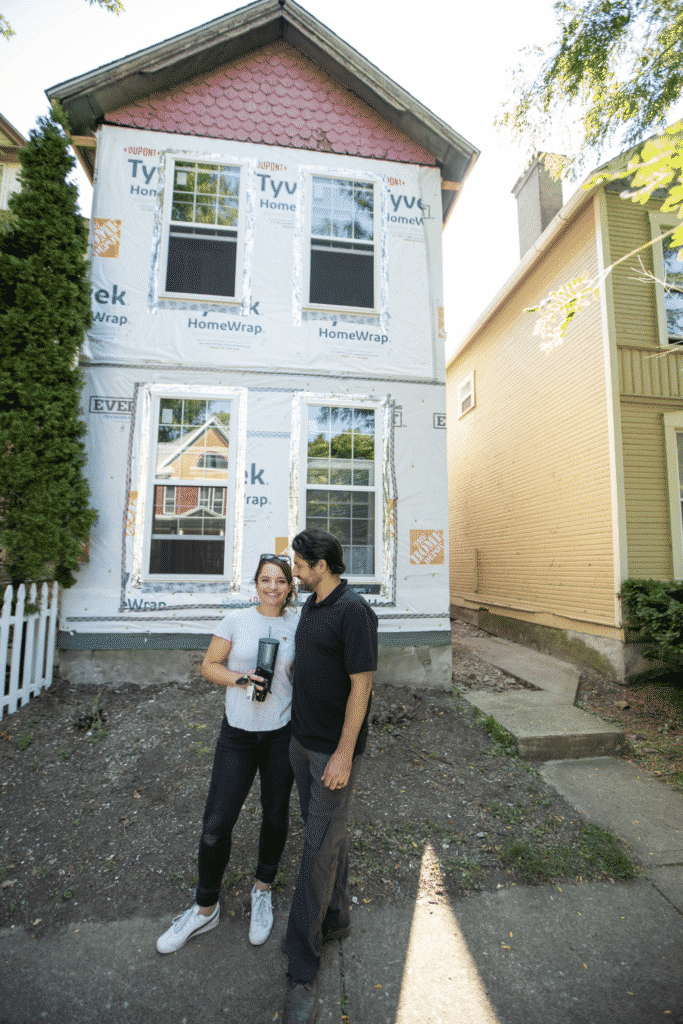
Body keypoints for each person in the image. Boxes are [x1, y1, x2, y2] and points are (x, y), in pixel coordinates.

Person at [156, 554, 297, 955]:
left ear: (289, 587)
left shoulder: (296, 625)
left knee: (275, 815)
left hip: (280, 736)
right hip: (237, 735)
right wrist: (240, 679)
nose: (273, 587)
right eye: (266, 579)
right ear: (255, 584)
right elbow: (208, 666)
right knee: (217, 823)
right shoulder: (236, 620)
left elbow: (305, 676)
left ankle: (263, 890)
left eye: (281, 581)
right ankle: (205, 908)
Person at [282, 529, 378, 1024]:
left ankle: (302, 963)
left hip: (332, 755)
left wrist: (342, 754)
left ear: (322, 564)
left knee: (316, 851)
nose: (293, 571)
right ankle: (336, 917)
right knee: (327, 836)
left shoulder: (354, 611)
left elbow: (362, 686)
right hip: (302, 744)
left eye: (300, 564)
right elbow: (316, 660)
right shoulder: (312, 605)